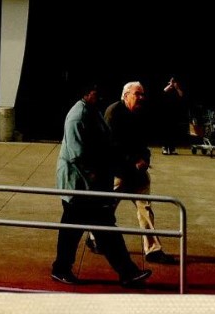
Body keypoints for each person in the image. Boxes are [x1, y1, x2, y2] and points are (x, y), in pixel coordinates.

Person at [52, 81, 152, 288]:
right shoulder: (78, 116)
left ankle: (126, 272)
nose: (100, 96)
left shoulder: (92, 111)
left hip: (88, 185)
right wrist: (97, 176)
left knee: (98, 229)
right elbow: (78, 155)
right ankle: (62, 269)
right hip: (79, 185)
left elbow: (107, 144)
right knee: (82, 230)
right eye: (97, 92)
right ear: (87, 93)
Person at [104, 81, 176, 265]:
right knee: (106, 209)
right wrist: (133, 162)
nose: (141, 98)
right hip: (119, 172)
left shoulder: (139, 113)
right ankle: (95, 237)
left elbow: (144, 142)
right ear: (126, 95)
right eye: (138, 94)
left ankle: (153, 249)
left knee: (145, 209)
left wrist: (145, 160)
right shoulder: (113, 113)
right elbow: (112, 146)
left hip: (137, 173)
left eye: (143, 94)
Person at [160, 77, 185, 155]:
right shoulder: (167, 86)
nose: (172, 81)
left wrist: (177, 88)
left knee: (174, 131)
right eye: (171, 80)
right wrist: (170, 85)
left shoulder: (177, 88)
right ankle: (164, 148)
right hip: (165, 113)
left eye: (173, 80)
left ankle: (172, 149)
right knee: (166, 131)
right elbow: (163, 92)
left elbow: (181, 95)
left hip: (175, 113)